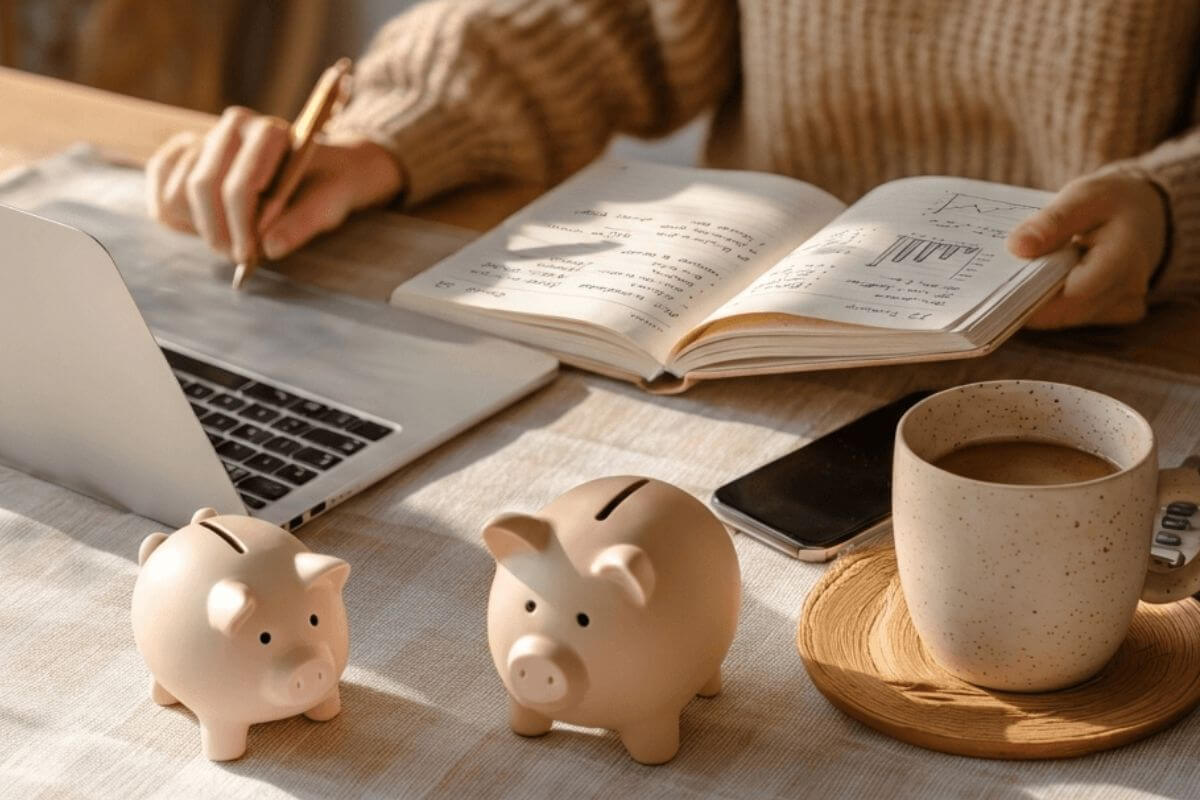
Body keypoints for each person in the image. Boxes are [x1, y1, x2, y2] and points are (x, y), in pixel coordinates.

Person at [146, 0, 1200, 329]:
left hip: (1117, 342)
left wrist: (1172, 208)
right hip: (755, 341)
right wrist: (385, 133)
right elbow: (609, 18)